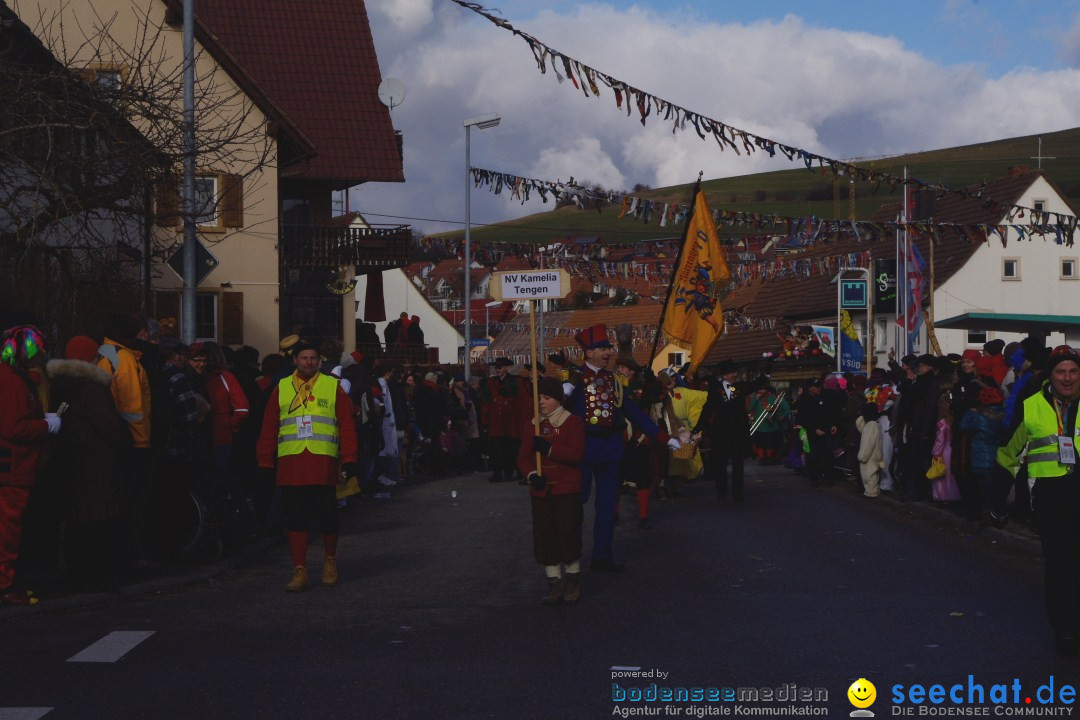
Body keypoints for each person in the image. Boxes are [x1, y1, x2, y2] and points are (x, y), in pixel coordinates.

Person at [565, 324, 677, 572]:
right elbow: (557, 413)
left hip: (610, 449)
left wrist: (664, 438)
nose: (607, 353)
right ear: (588, 353)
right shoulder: (573, 378)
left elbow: (635, 414)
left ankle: (602, 556)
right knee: (575, 504)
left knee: (606, 506)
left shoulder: (614, 381)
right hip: (582, 449)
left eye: (608, 348)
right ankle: (572, 555)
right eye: (602, 348)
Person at [997, 345, 1080, 657]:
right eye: (1061, 371)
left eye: (1073, 371)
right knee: (1061, 566)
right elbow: (1009, 454)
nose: (1068, 378)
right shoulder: (1032, 406)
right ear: (1052, 375)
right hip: (1052, 499)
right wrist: (995, 499)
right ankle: (1067, 630)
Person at [257, 342, 358, 592]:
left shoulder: (332, 387)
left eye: (313, 357)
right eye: (304, 358)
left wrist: (350, 459)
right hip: (291, 464)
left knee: (328, 518)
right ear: (295, 360)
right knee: (296, 519)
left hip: (323, 463)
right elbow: (269, 428)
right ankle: (299, 569)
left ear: (320, 361)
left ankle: (330, 560)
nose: (309, 362)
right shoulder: (280, 388)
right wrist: (264, 461)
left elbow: (346, 425)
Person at [46, 336, 131, 591]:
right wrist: (127, 440)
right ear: (90, 358)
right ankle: (95, 578)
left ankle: (77, 575)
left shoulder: (60, 385)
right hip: (96, 464)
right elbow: (111, 428)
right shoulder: (92, 388)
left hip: (72, 464)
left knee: (76, 523)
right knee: (98, 521)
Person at [0, 321, 62, 605]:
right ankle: (6, 588)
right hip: (13, 469)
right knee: (8, 532)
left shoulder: (10, 378)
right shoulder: (12, 381)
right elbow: (14, 427)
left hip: (11, 468)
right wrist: (45, 425)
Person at [518, 377, 585, 605]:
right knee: (545, 535)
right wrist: (531, 475)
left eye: (546, 398)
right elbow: (523, 458)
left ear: (558, 399)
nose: (541, 402)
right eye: (538, 398)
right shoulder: (532, 425)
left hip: (566, 489)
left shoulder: (572, 422)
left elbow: (576, 454)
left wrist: (549, 449)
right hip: (541, 490)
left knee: (567, 534)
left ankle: (573, 581)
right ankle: (554, 583)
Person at [696, 359, 752, 503]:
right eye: (732, 372)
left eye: (735, 372)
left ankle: (738, 493)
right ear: (725, 375)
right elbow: (707, 410)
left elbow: (758, 383)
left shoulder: (740, 387)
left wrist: (768, 369)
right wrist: (697, 428)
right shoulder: (715, 389)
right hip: (721, 433)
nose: (735, 375)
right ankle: (721, 492)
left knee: (738, 465)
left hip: (738, 432)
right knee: (720, 465)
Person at [481, 357, 524, 483]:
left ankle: (509, 472)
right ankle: (497, 472)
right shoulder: (490, 382)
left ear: (506, 368)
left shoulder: (514, 381)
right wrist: (485, 420)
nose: (497, 369)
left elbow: (517, 396)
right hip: (496, 421)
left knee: (510, 447)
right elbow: (485, 402)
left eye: (499, 367)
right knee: (496, 448)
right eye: (496, 367)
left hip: (510, 420)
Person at [855, 402, 884, 498]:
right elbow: (861, 427)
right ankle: (871, 492)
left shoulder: (871, 425)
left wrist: (862, 455)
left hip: (869, 455)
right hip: (874, 455)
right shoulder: (873, 424)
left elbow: (868, 443)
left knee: (869, 475)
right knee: (871, 474)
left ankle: (871, 493)